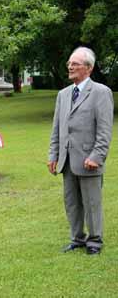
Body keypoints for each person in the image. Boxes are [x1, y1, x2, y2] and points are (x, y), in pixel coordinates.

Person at [48, 47, 114, 255]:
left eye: (75, 64)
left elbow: (105, 130)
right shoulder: (63, 94)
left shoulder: (101, 92)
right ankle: (77, 238)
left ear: (89, 68)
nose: (70, 67)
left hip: (89, 160)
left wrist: (97, 156)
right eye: (69, 63)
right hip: (67, 160)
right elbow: (57, 128)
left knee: (92, 203)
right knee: (72, 203)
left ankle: (94, 241)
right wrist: (53, 155)